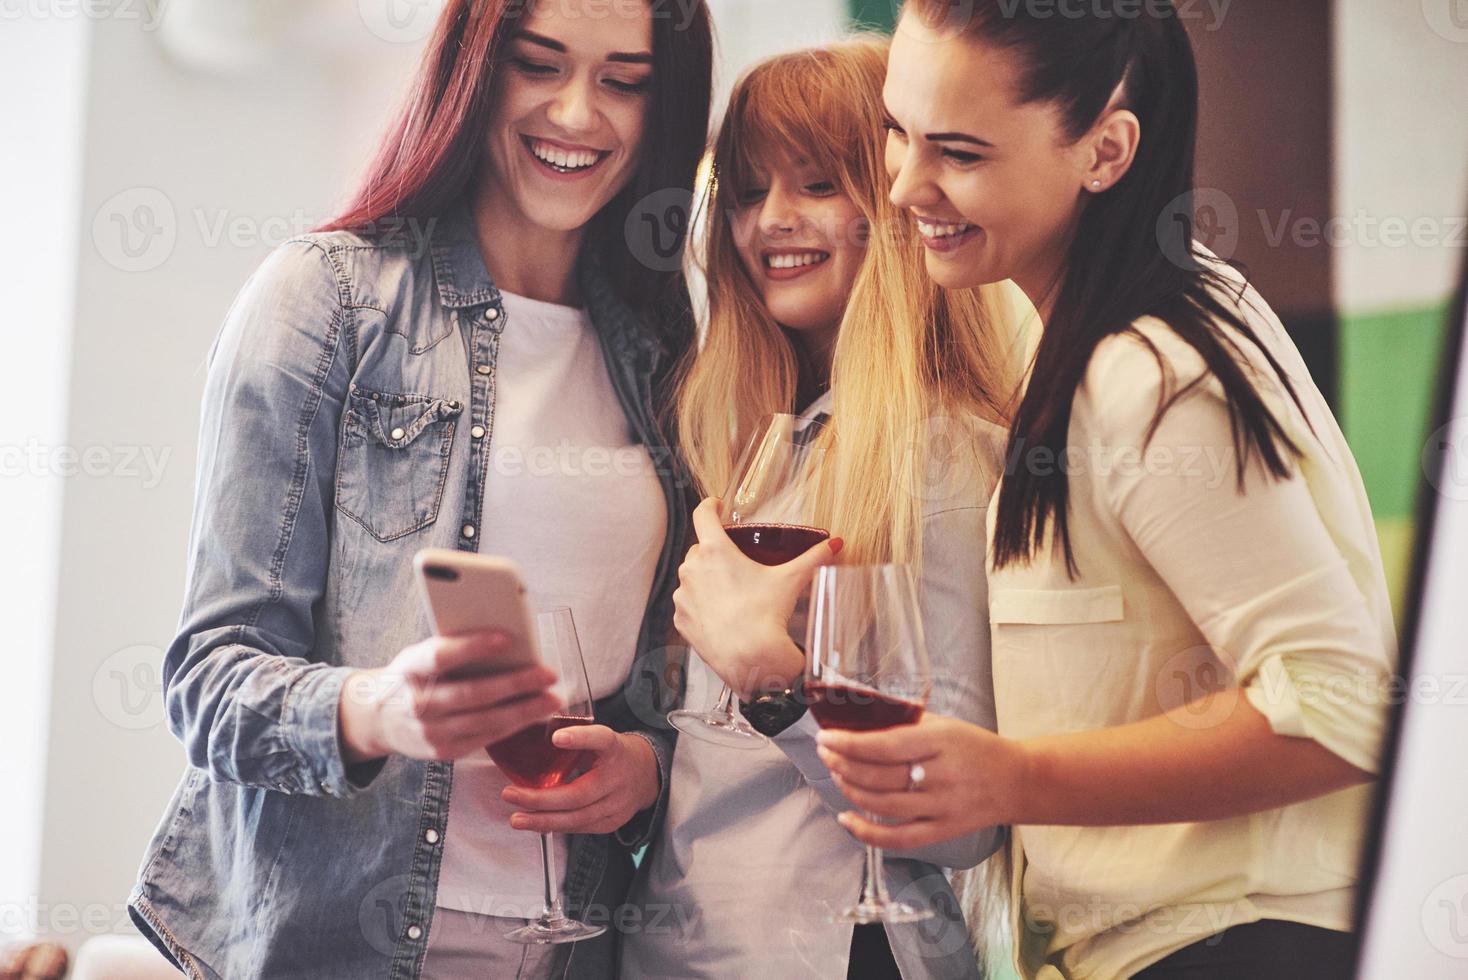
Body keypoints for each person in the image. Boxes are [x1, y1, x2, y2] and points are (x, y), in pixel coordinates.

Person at [126, 2, 712, 978]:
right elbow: (208, 677)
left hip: (571, 949)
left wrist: (644, 765)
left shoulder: (662, 350)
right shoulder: (326, 299)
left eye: (624, 80)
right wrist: (375, 709)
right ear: (474, 69)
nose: (577, 113)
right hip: (329, 949)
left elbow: (666, 683)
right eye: (539, 64)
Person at [817, 3, 1395, 979]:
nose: (906, 184)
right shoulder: (1104, 325)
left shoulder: (1148, 375)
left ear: (1105, 152)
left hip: (1232, 944)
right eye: (896, 130)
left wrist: (1015, 777)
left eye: (958, 151)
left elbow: (1342, 700)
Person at [617, 37, 1021, 980]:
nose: (771, 222)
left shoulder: (943, 451)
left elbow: (965, 828)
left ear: (897, 208)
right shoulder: (763, 450)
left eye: (817, 185)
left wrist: (775, 682)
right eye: (750, 191)